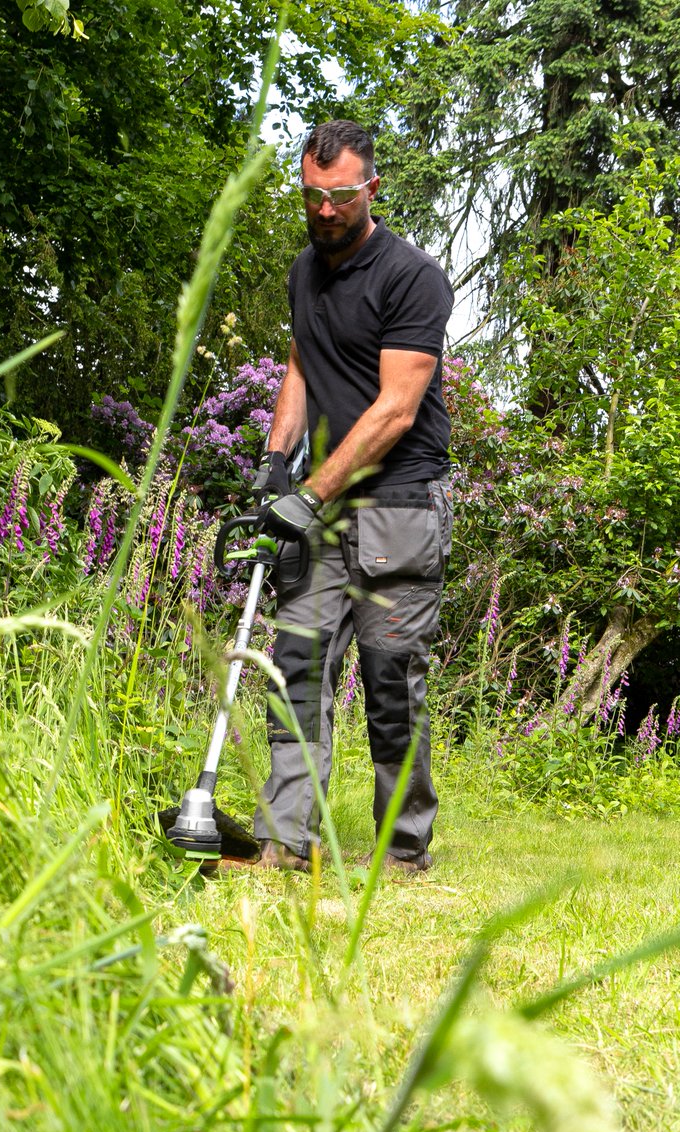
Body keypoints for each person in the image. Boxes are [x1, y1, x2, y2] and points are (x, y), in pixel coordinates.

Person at [250, 119, 454, 874]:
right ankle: (286, 840)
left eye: (340, 196)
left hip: (397, 507)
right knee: (297, 668)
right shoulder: (304, 271)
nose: (326, 210)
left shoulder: (411, 276)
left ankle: (402, 849)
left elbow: (396, 409)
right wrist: (276, 463)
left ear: (372, 187)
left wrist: (310, 492)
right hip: (321, 506)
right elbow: (301, 367)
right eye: (312, 196)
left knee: (391, 682)